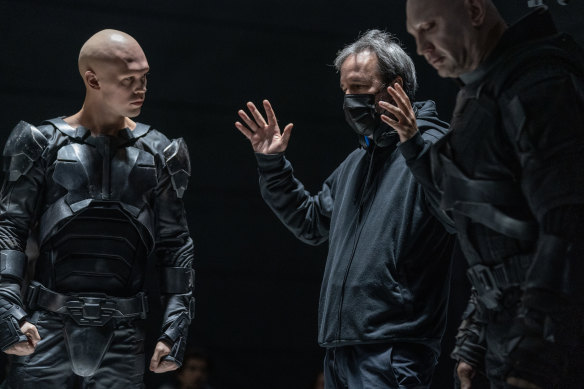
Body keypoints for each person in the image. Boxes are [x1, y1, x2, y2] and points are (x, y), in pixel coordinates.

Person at [235, 30, 455, 388]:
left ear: (395, 86)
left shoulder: (433, 146)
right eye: (345, 91)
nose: (350, 100)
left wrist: (413, 144)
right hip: (341, 348)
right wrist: (272, 164)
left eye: (358, 88)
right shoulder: (359, 161)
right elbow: (311, 223)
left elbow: (457, 213)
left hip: (394, 347)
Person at [403, 0, 584, 388]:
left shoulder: (538, 83)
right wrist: (476, 343)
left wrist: (536, 355)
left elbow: (566, 226)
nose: (422, 48)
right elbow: (498, 242)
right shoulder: (483, 91)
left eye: (429, 27)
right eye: (415, 36)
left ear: (473, 10)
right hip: (511, 345)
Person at [0, 29, 195, 388]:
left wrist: (174, 325)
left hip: (124, 331)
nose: (141, 88)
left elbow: (175, 245)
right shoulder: (40, 143)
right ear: (92, 79)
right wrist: (7, 307)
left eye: (144, 77)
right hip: (44, 327)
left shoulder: (160, 152)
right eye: (128, 80)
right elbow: (10, 229)